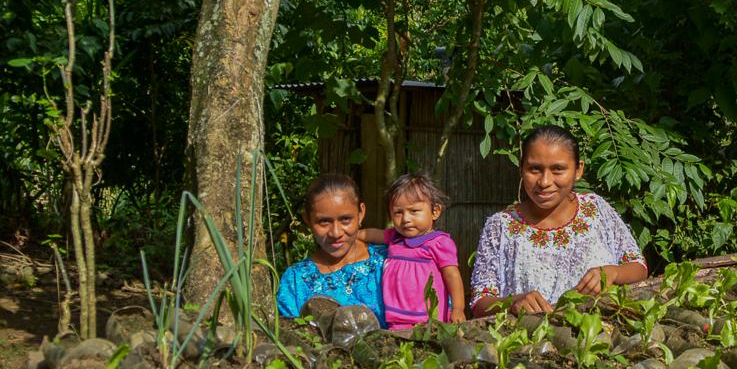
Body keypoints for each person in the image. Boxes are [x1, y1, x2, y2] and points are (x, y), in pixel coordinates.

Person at [470, 125, 648, 315]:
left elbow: (638, 266)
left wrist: (612, 273)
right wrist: (513, 302)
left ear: (578, 170)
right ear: (521, 169)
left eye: (558, 169)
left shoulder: (596, 209)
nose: (545, 182)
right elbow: (480, 302)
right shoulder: (500, 226)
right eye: (535, 169)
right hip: (531, 342)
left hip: (606, 336)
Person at [277, 174, 387, 324]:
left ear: (360, 213)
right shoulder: (296, 281)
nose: (336, 233)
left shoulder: (389, 261)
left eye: (345, 220)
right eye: (324, 222)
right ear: (307, 219)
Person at [361, 172, 465, 326]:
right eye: (398, 212)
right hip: (396, 317)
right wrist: (353, 234)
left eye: (414, 211)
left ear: (435, 211)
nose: (406, 219)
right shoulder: (394, 237)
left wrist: (458, 308)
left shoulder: (439, 243)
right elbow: (373, 234)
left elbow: (452, 276)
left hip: (430, 318)